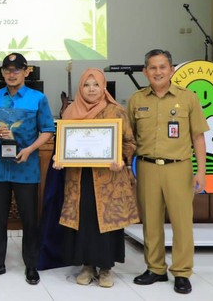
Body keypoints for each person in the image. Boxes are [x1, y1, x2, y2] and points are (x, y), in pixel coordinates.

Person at [128, 49, 208, 295]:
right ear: (145, 72)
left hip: (179, 167)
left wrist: (201, 172)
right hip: (147, 167)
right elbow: (129, 139)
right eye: (152, 68)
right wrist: (130, 170)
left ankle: (182, 272)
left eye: (163, 67)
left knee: (182, 223)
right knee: (151, 221)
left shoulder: (188, 98)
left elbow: (198, 137)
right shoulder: (137, 100)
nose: (158, 72)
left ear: (172, 70)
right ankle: (156, 268)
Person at [54, 68, 139, 288]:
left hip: (108, 179)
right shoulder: (70, 112)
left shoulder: (116, 111)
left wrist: (120, 157)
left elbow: (129, 142)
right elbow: (63, 143)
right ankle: (87, 266)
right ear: (80, 88)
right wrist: (59, 156)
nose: (91, 89)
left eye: (96, 85)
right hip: (80, 178)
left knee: (107, 222)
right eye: (86, 85)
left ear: (103, 87)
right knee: (85, 220)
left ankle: (106, 269)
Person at [0, 52, 54, 284]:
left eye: (17, 70)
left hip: (26, 167)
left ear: (26, 72)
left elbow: (48, 130)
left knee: (30, 219)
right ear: (2, 72)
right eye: (7, 70)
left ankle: (31, 265)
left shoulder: (38, 98)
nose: (12, 74)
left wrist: (30, 150)